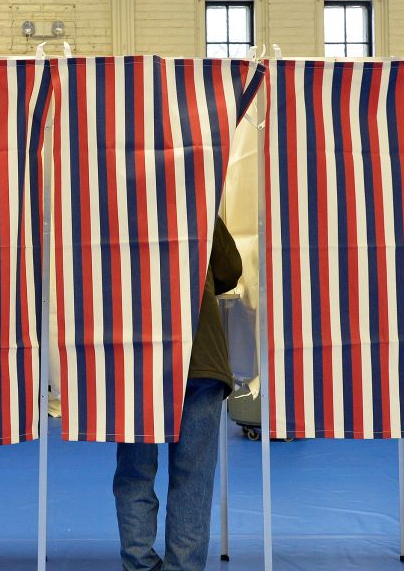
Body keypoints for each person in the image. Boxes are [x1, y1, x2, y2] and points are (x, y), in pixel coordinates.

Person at [114, 216, 242, 571]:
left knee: (135, 471)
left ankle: (139, 564)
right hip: (200, 356)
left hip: (136, 355)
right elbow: (230, 269)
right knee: (193, 477)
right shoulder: (195, 189)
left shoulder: (108, 192)